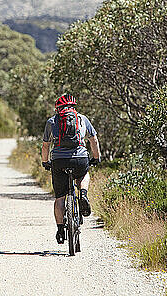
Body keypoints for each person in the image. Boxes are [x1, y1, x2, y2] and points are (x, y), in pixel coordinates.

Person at [41, 94, 101, 244]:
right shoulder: (82, 119)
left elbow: (45, 145)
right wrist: (96, 157)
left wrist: (45, 161)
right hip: (80, 158)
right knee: (84, 173)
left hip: (59, 161)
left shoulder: (52, 121)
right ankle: (83, 194)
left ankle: (60, 229)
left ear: (58, 108)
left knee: (60, 197)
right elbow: (93, 140)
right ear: (74, 107)